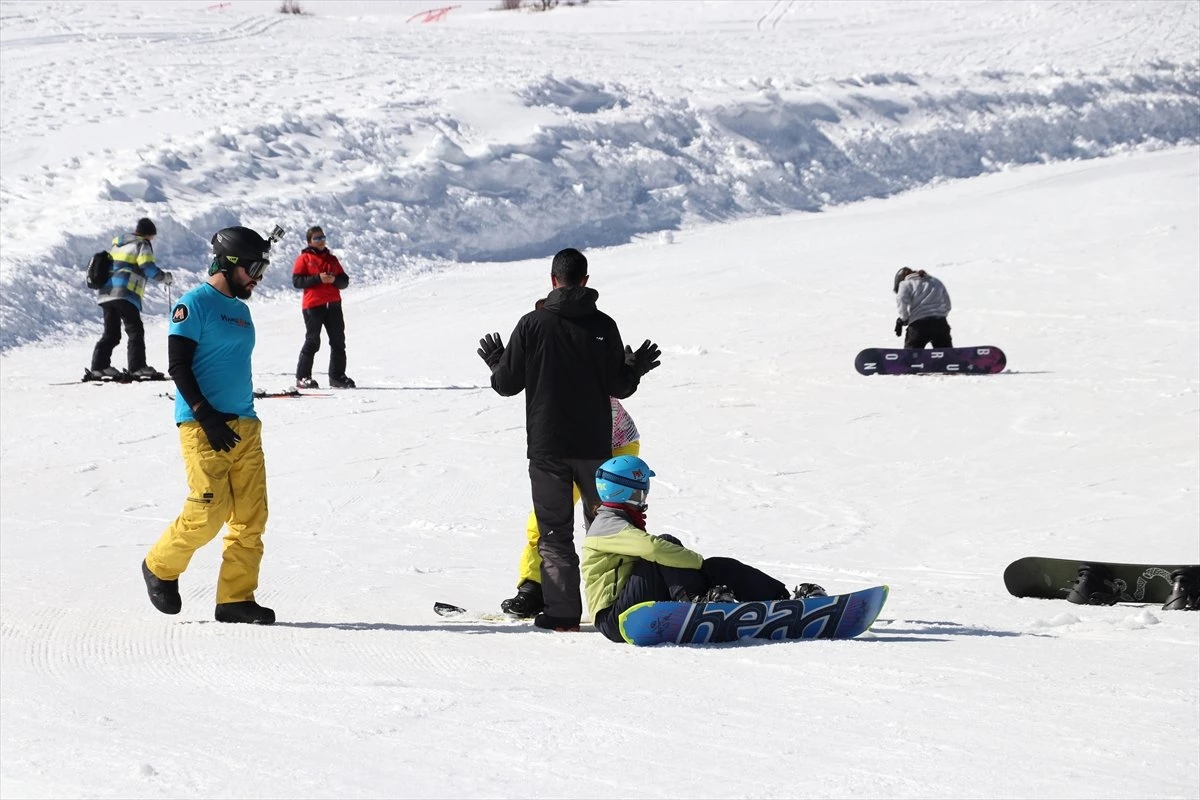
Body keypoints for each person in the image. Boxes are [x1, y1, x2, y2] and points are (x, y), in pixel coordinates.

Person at [477, 247, 660, 631]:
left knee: (554, 533)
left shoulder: (531, 324)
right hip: (596, 448)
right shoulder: (604, 326)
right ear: (586, 281)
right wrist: (635, 368)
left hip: (547, 449)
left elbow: (506, 385)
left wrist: (497, 361)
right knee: (606, 527)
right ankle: (614, 607)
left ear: (552, 279)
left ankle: (561, 613)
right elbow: (619, 386)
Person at [140, 226, 276, 625]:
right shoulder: (193, 304)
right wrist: (205, 414)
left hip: (245, 425)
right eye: (253, 267)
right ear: (229, 263)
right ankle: (159, 566)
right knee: (209, 511)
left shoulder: (242, 310)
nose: (258, 277)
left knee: (251, 518)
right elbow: (178, 365)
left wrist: (239, 415)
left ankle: (235, 598)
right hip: (203, 427)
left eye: (262, 268)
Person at [582, 455, 828, 644]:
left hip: (632, 605)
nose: (645, 496)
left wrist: (708, 569)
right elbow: (653, 548)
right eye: (642, 490)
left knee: (721, 566)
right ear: (629, 492)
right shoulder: (607, 526)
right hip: (614, 619)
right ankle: (696, 602)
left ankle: (782, 602)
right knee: (663, 546)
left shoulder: (620, 522)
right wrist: (699, 565)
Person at [501, 396, 642, 618]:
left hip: (614, 446)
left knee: (607, 520)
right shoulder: (547, 366)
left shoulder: (589, 363)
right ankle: (534, 587)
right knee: (543, 521)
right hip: (566, 449)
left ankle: (623, 589)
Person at [88, 217, 173, 380]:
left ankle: (99, 366)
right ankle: (137, 367)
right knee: (135, 330)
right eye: (152, 237)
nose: (152, 240)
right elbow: (147, 267)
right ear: (148, 234)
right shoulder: (142, 244)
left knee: (111, 333)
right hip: (125, 292)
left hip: (106, 293)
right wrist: (165, 277)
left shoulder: (117, 244)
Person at [293, 225, 354, 389]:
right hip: (313, 304)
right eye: (316, 238)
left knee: (338, 341)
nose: (321, 241)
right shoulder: (304, 258)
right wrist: (318, 278)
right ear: (309, 241)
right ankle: (303, 377)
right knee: (313, 341)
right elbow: (297, 281)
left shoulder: (332, 259)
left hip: (333, 304)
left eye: (322, 237)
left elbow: (344, 281)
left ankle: (337, 376)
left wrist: (334, 280)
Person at [893, 267, 952, 349]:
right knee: (946, 353)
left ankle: (911, 360)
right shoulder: (935, 281)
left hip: (918, 326)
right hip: (940, 324)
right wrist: (940, 314)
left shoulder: (905, 284)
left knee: (911, 354)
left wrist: (904, 319)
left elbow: (902, 301)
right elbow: (947, 304)